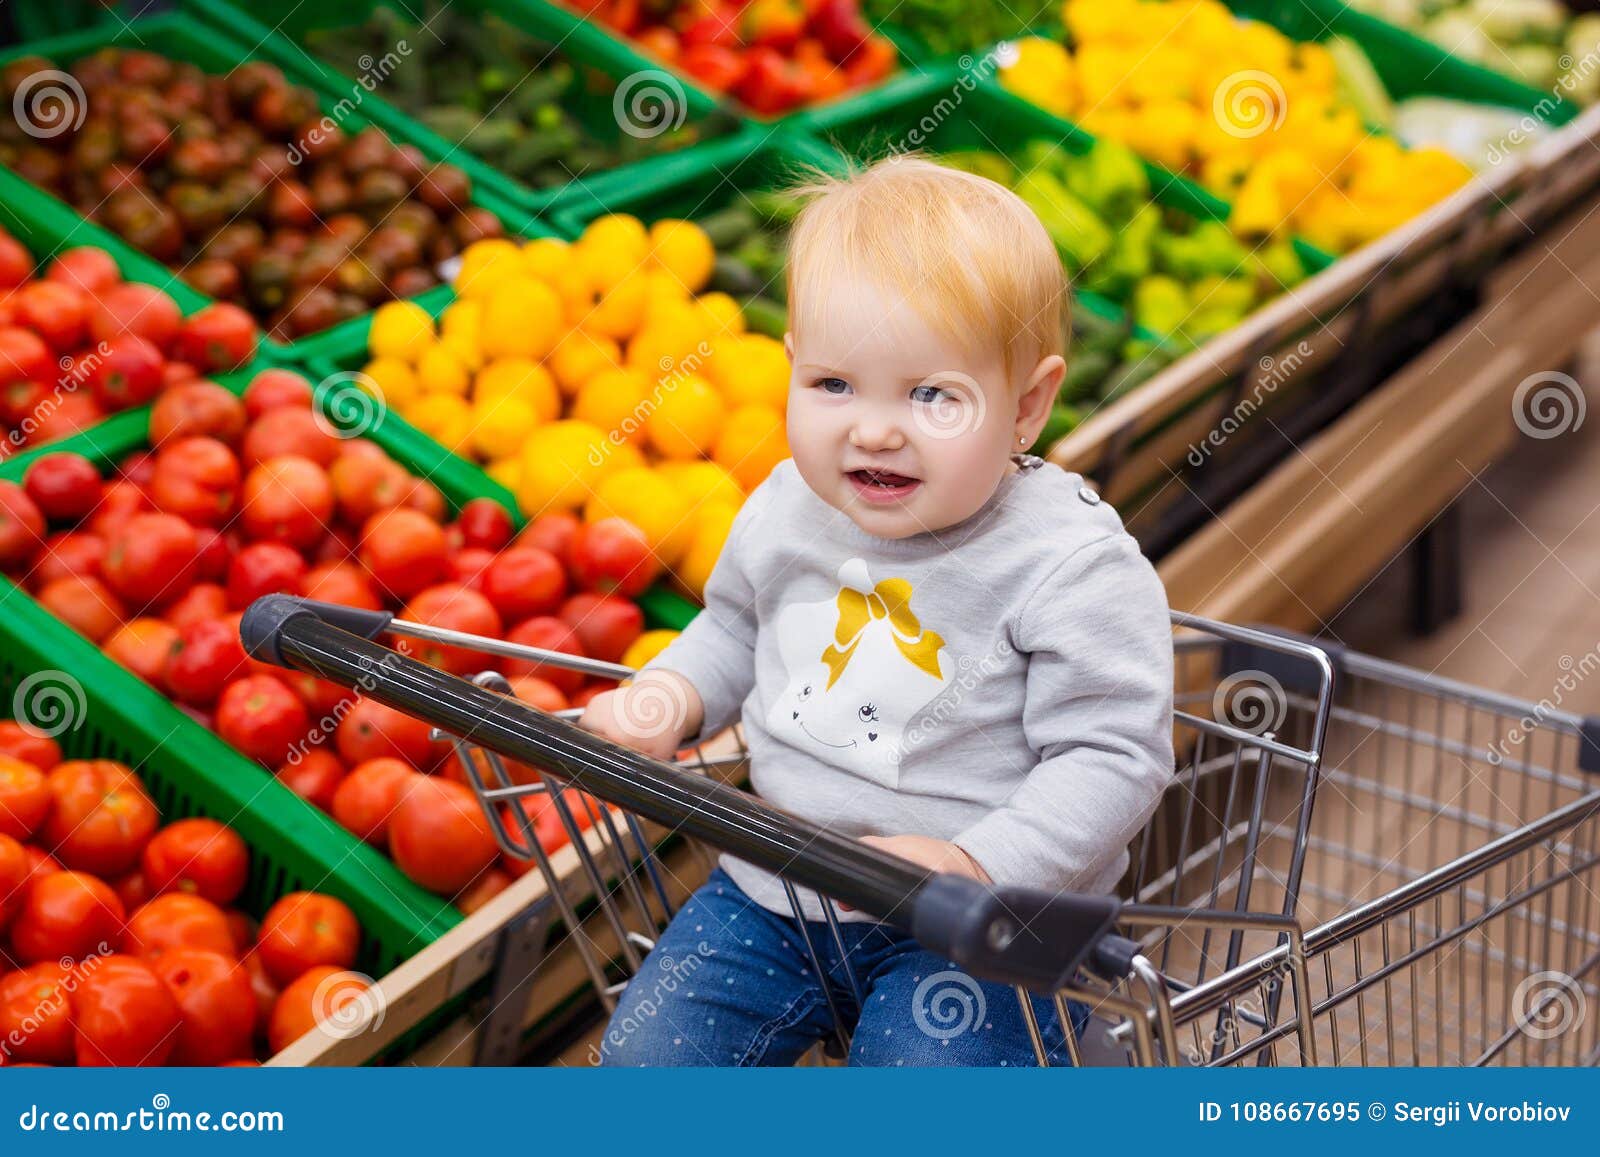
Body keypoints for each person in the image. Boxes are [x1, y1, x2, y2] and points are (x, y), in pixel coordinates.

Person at [577, 155, 1175, 1066]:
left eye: (932, 394)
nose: (873, 428)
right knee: (644, 1062)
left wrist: (976, 864)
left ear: (1028, 405)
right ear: (790, 369)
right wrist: (672, 695)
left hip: (987, 929)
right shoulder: (787, 503)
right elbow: (737, 625)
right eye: (833, 385)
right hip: (779, 884)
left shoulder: (1070, 563)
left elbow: (1112, 753)